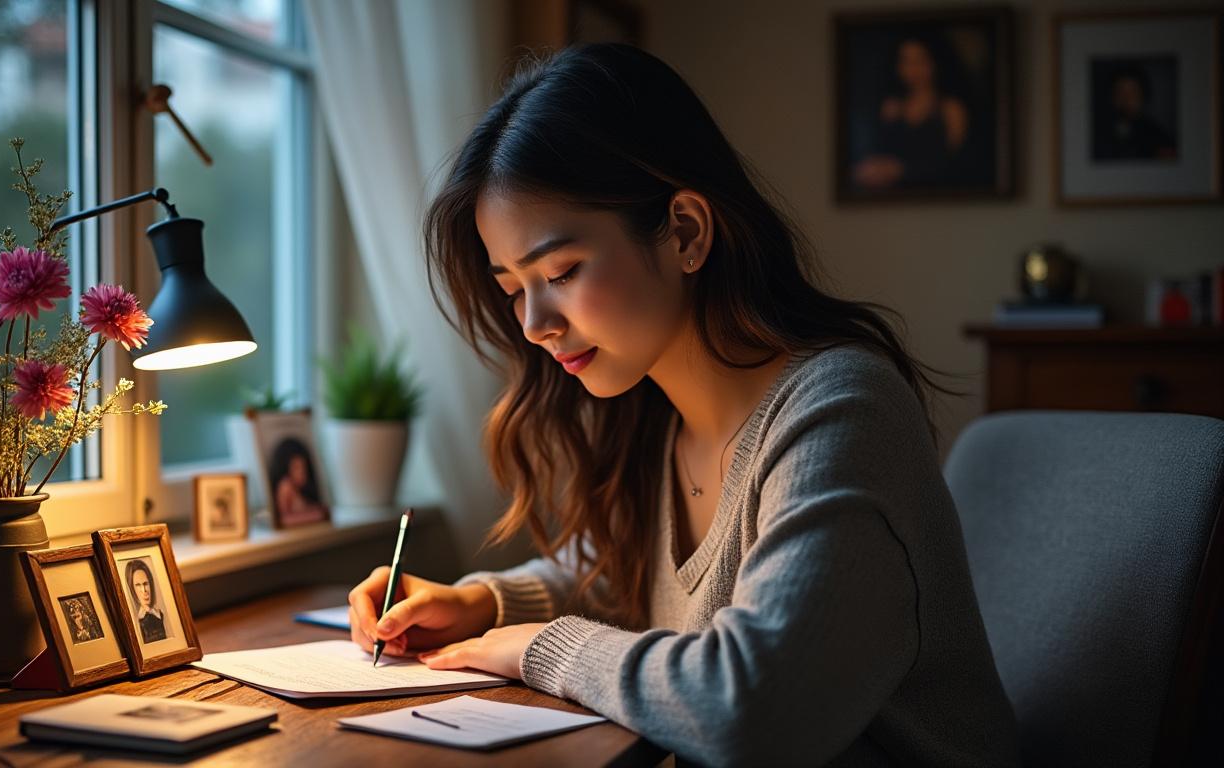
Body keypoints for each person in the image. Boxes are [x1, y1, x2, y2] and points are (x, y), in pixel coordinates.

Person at [348, 44, 1018, 765]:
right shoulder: (654, 413)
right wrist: (482, 603)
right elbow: (614, 568)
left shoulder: (842, 408)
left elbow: (752, 708)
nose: (533, 324)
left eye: (561, 271)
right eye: (513, 287)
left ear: (687, 233)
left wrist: (540, 647)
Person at [853, 34, 975, 190]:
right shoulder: (891, 108)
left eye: (920, 61)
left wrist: (901, 170)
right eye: (906, 62)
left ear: (934, 62)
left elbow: (956, 164)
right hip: (891, 200)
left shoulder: (950, 108)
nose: (913, 69)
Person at [269, 438, 329, 526]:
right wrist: (315, 515)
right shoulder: (285, 486)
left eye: (304, 468)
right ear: (286, 468)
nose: (301, 473)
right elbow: (283, 519)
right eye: (296, 468)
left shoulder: (300, 489)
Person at [125, 559, 166, 644]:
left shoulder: (161, 614)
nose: (144, 590)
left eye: (145, 584)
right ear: (132, 589)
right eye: (138, 585)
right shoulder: (137, 622)